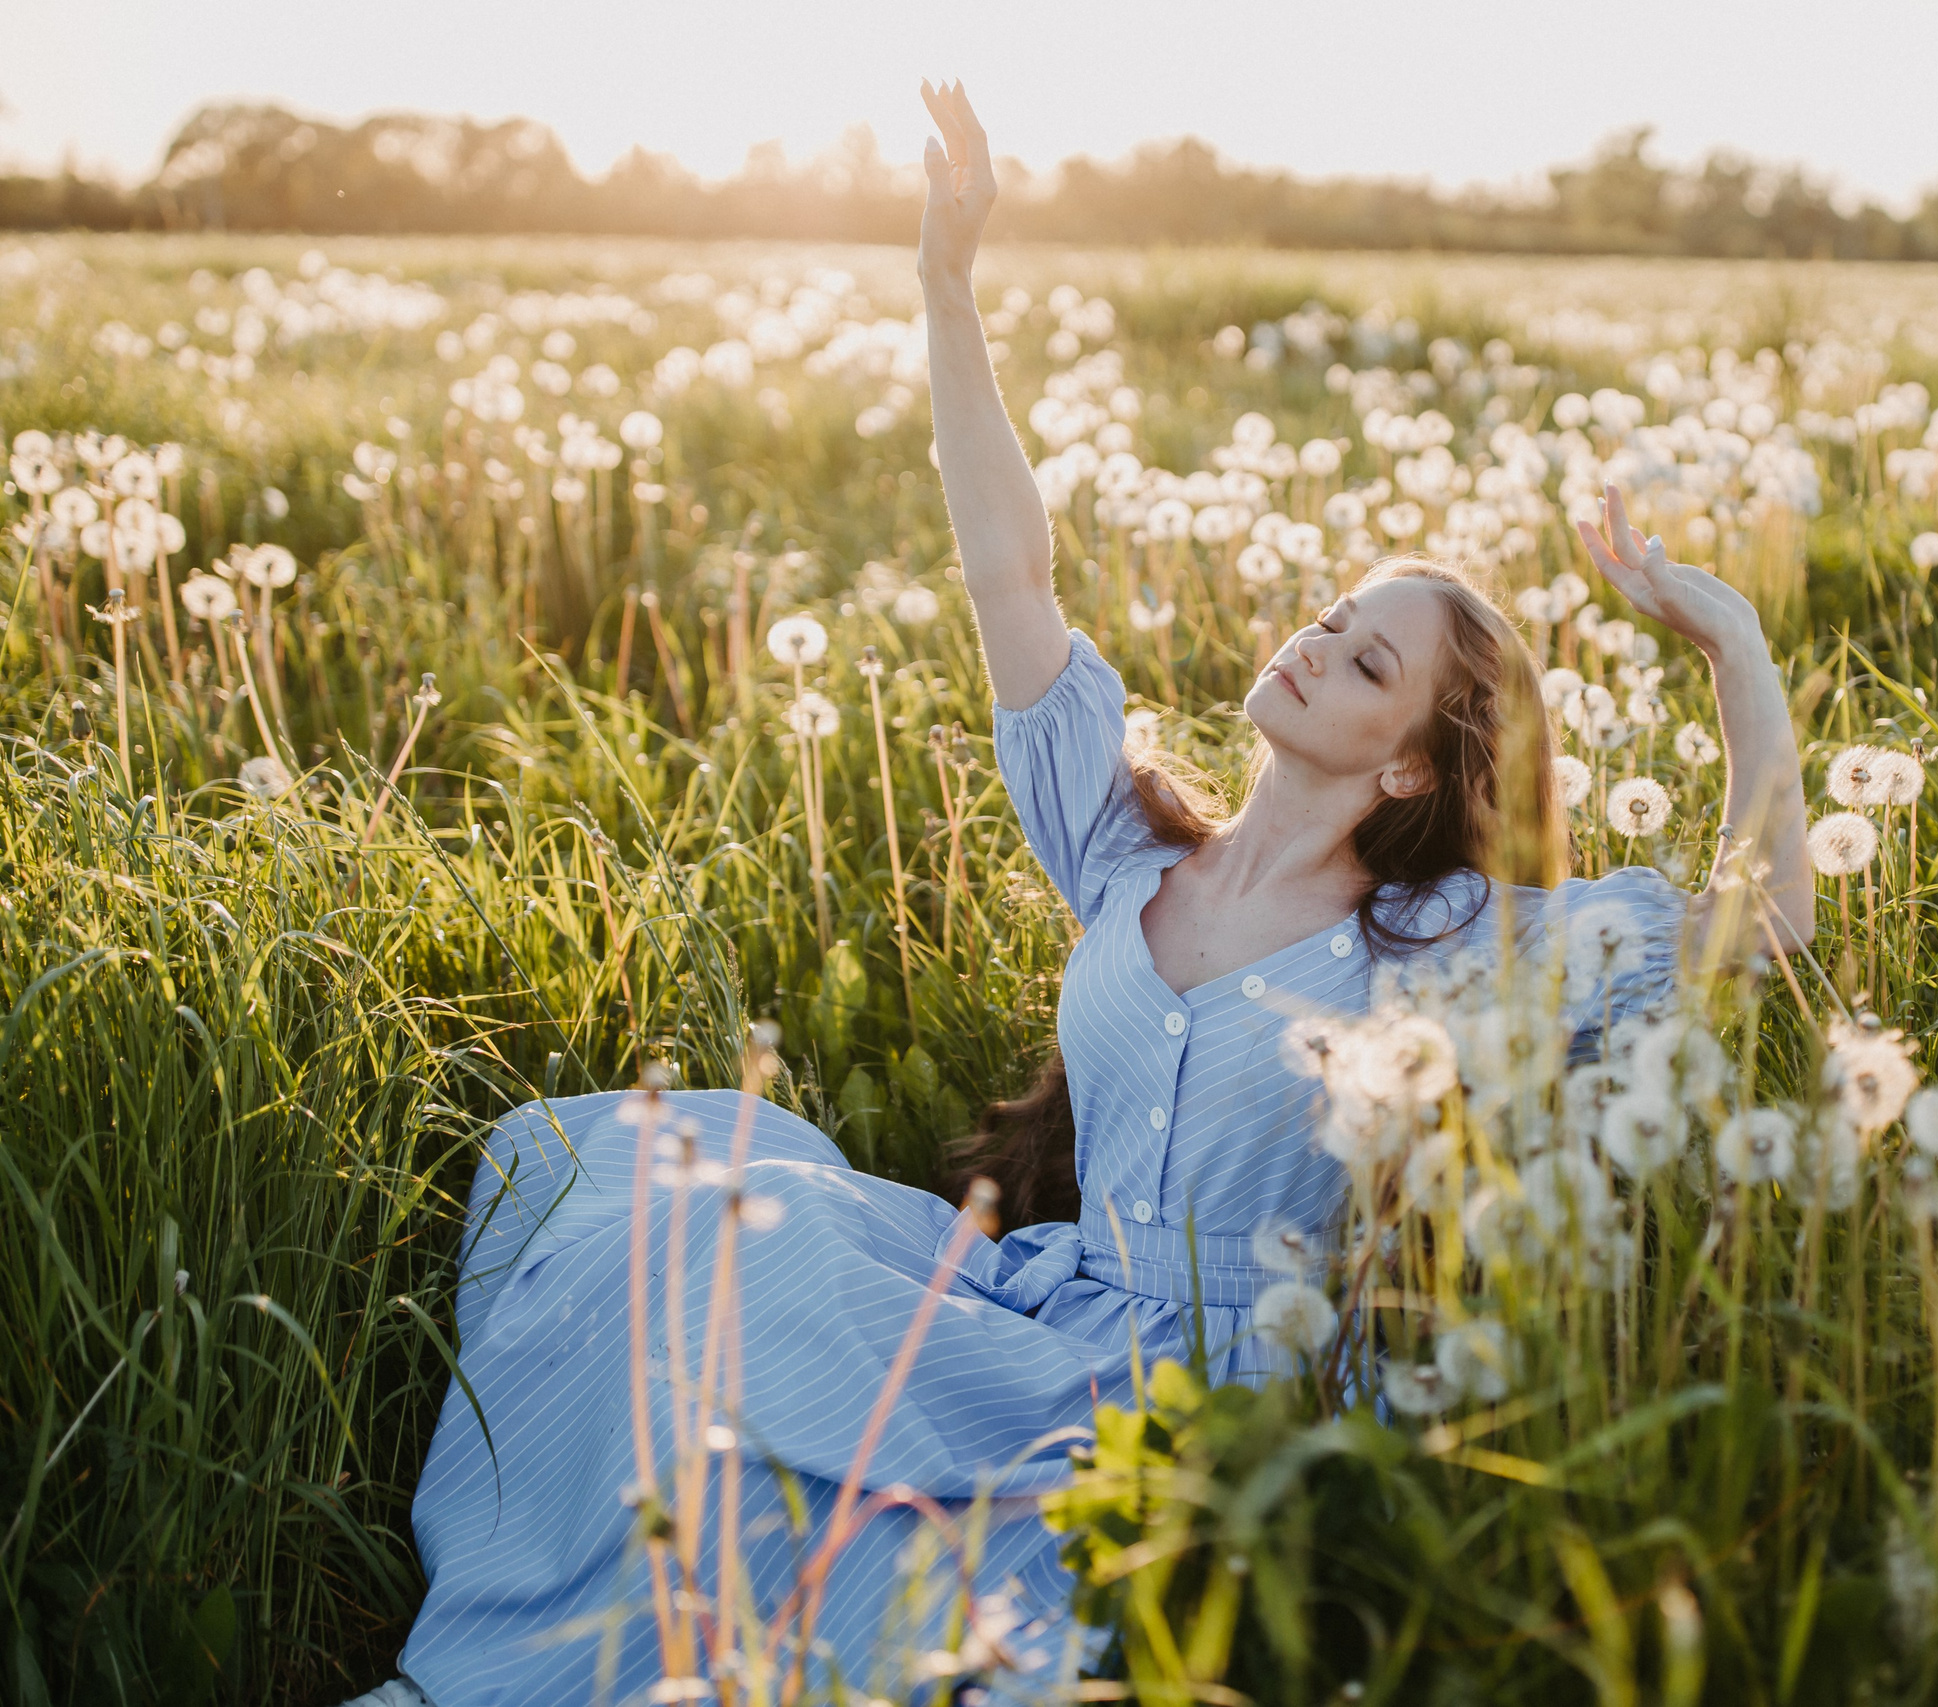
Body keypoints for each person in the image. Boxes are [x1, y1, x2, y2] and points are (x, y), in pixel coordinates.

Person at [373, 81, 1814, 1707]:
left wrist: (1733, 649)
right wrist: (945, 283)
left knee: (903, 1567)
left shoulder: (1451, 948)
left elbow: (1762, 935)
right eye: (1331, 612)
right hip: (1038, 1305)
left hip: (1218, 1399)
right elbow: (1011, 570)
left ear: (1412, 765)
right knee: (661, 1201)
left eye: (1368, 660)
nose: (1316, 641)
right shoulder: (1130, 850)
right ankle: (567, 1618)